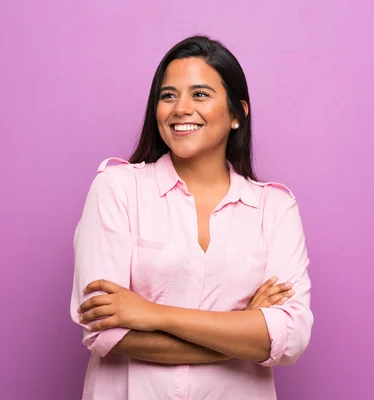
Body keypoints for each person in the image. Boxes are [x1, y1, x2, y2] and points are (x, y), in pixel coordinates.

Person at [70, 35, 313, 400]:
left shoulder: (275, 208)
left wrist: (150, 314)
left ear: (237, 114)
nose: (181, 108)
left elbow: (290, 338)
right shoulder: (117, 188)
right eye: (168, 95)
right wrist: (243, 329)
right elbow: (104, 332)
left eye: (200, 94)